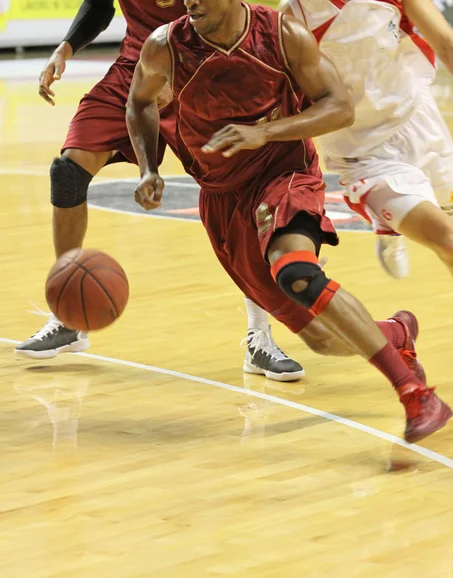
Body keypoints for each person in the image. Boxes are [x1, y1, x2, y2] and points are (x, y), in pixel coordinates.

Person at [125, 0, 452, 443]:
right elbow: (139, 102)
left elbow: (339, 107)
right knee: (322, 339)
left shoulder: (280, 33)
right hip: (223, 197)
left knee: (298, 273)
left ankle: (415, 393)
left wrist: (264, 132)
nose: (189, 3)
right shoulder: (165, 45)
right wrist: (149, 168)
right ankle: (395, 332)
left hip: (284, 171)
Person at [14, 0, 304, 382]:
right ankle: (69, 312)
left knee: (241, 193)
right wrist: (65, 47)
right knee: (69, 170)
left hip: (204, 70)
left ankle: (260, 337)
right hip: (140, 68)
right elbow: (100, 6)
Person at [280, 0, 453, 282]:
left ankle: (386, 222)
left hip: (420, 123)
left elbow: (446, 44)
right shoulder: (293, 17)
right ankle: (384, 213)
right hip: (363, 152)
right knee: (448, 241)